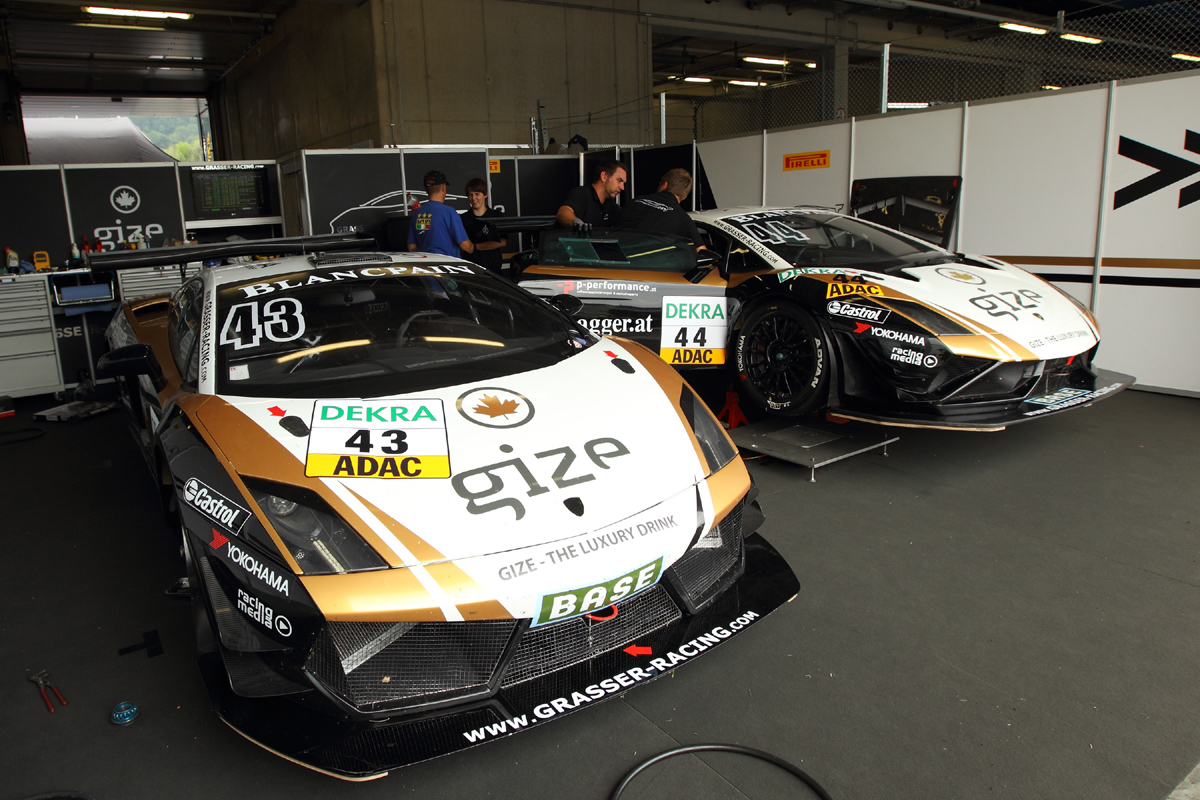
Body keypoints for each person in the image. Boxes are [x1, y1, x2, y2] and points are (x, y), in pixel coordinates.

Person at [615, 167, 706, 249]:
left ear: (664, 185)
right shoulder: (683, 218)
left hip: (615, 257)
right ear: (685, 196)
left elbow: (613, 229)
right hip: (649, 261)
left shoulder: (635, 201)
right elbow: (702, 253)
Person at [408, 170, 475, 257]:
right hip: (447, 264)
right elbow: (466, 246)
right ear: (443, 187)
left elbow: (411, 247)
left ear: (426, 190)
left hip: (425, 264)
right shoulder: (449, 213)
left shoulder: (417, 214)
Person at [556, 159, 628, 229]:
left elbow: (626, 216)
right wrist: (576, 223)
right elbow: (563, 212)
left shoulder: (609, 204)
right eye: (619, 180)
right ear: (604, 176)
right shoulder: (582, 193)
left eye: (623, 183)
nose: (622, 187)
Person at [460, 177, 507, 273]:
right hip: (470, 270)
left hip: (493, 270)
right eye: (470, 195)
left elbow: (502, 242)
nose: (474, 198)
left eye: (477, 194)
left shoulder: (496, 216)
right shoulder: (463, 218)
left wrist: (475, 247)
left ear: (485, 194)